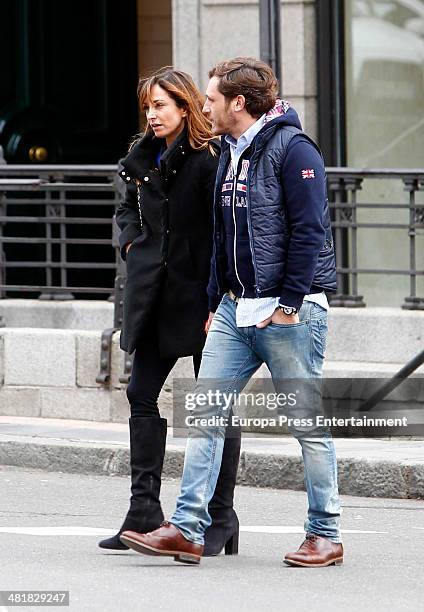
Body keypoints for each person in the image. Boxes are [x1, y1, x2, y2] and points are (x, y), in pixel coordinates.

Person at [120, 57, 343, 567]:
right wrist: (217, 296)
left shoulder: (294, 150)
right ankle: (188, 528)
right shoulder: (232, 152)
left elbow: (311, 232)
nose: (206, 105)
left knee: (306, 423)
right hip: (233, 310)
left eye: (214, 98)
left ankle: (324, 533)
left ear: (237, 103)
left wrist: (288, 305)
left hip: (291, 311)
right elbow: (223, 232)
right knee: (205, 414)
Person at [99, 67, 241, 556]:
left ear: (184, 106)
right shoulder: (139, 158)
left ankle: (221, 515)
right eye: (147, 106)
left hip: (201, 300)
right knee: (141, 392)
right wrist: (130, 241)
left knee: (212, 408)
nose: (152, 114)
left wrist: (218, 298)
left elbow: (226, 232)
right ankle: (143, 510)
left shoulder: (208, 160)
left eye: (160, 104)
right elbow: (125, 211)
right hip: (154, 297)